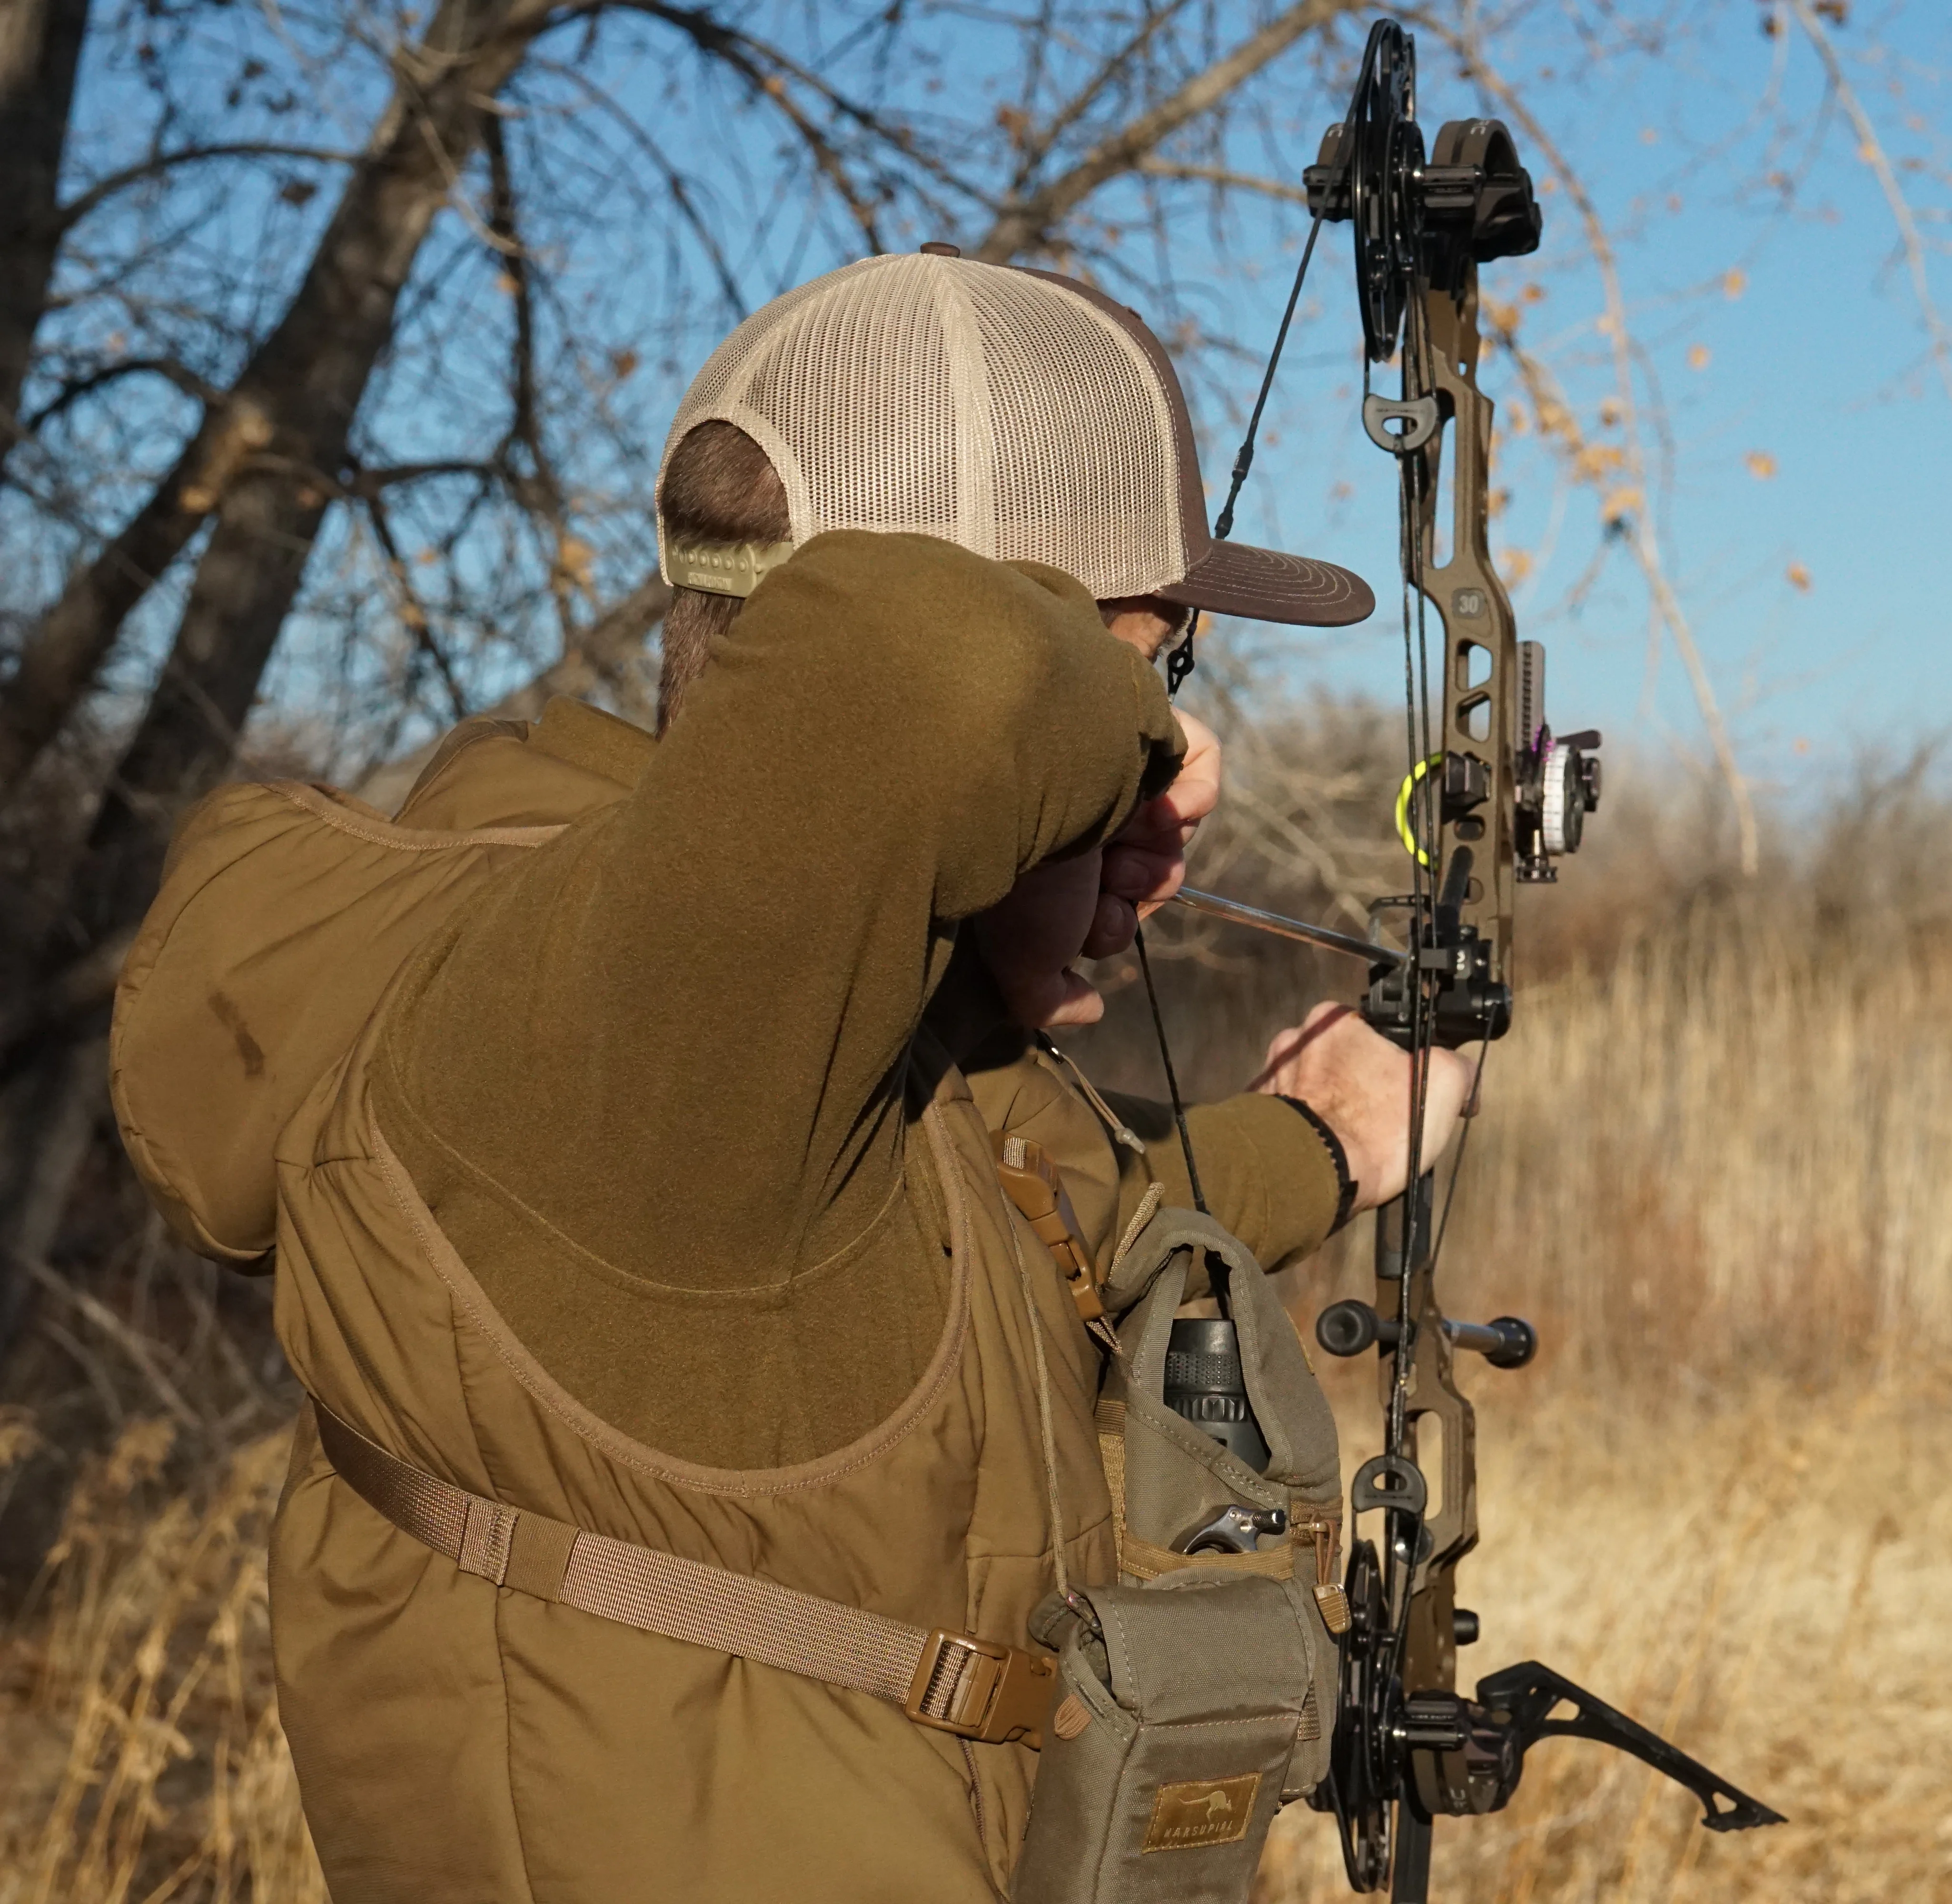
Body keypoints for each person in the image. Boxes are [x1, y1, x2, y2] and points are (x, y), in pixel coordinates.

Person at [223, 250, 1467, 1900]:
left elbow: (1065, 1214)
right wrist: (1136, 743)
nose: (1160, 769)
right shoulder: (619, 1047)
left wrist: (1332, 1129)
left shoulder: (843, 1053)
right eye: (1149, 671)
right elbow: (934, 671)